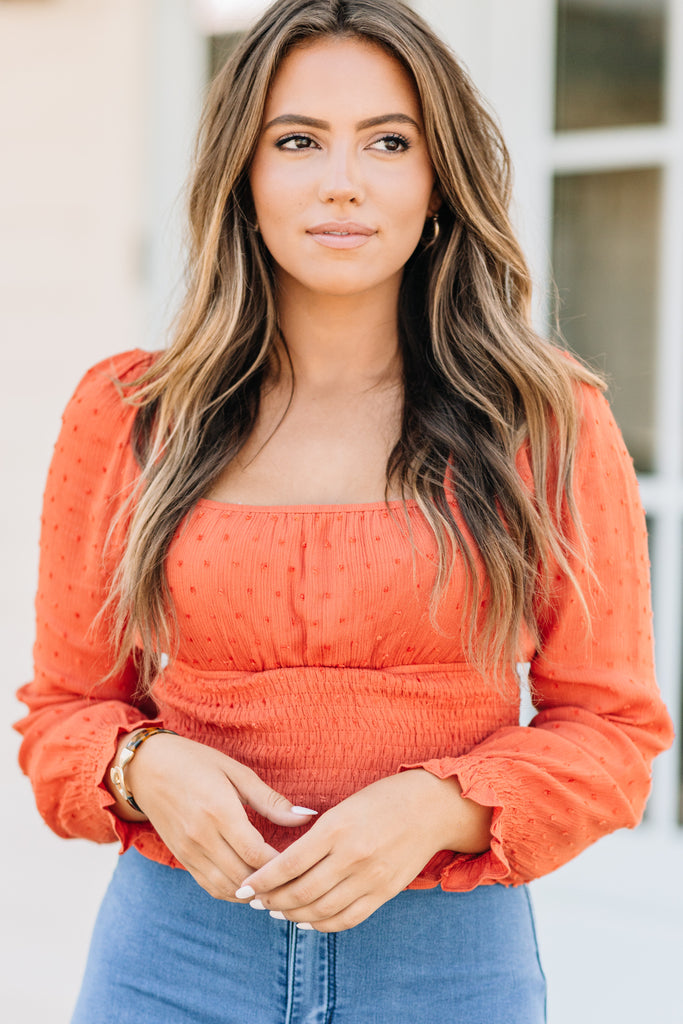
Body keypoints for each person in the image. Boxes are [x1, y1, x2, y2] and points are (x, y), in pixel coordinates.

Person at [15, 1, 674, 1021]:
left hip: (446, 966)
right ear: (244, 174)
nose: (341, 180)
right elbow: (62, 715)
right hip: (171, 957)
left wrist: (439, 804)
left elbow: (611, 732)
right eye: (297, 140)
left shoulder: (541, 421)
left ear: (435, 181)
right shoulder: (129, 416)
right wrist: (141, 765)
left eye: (386, 142)